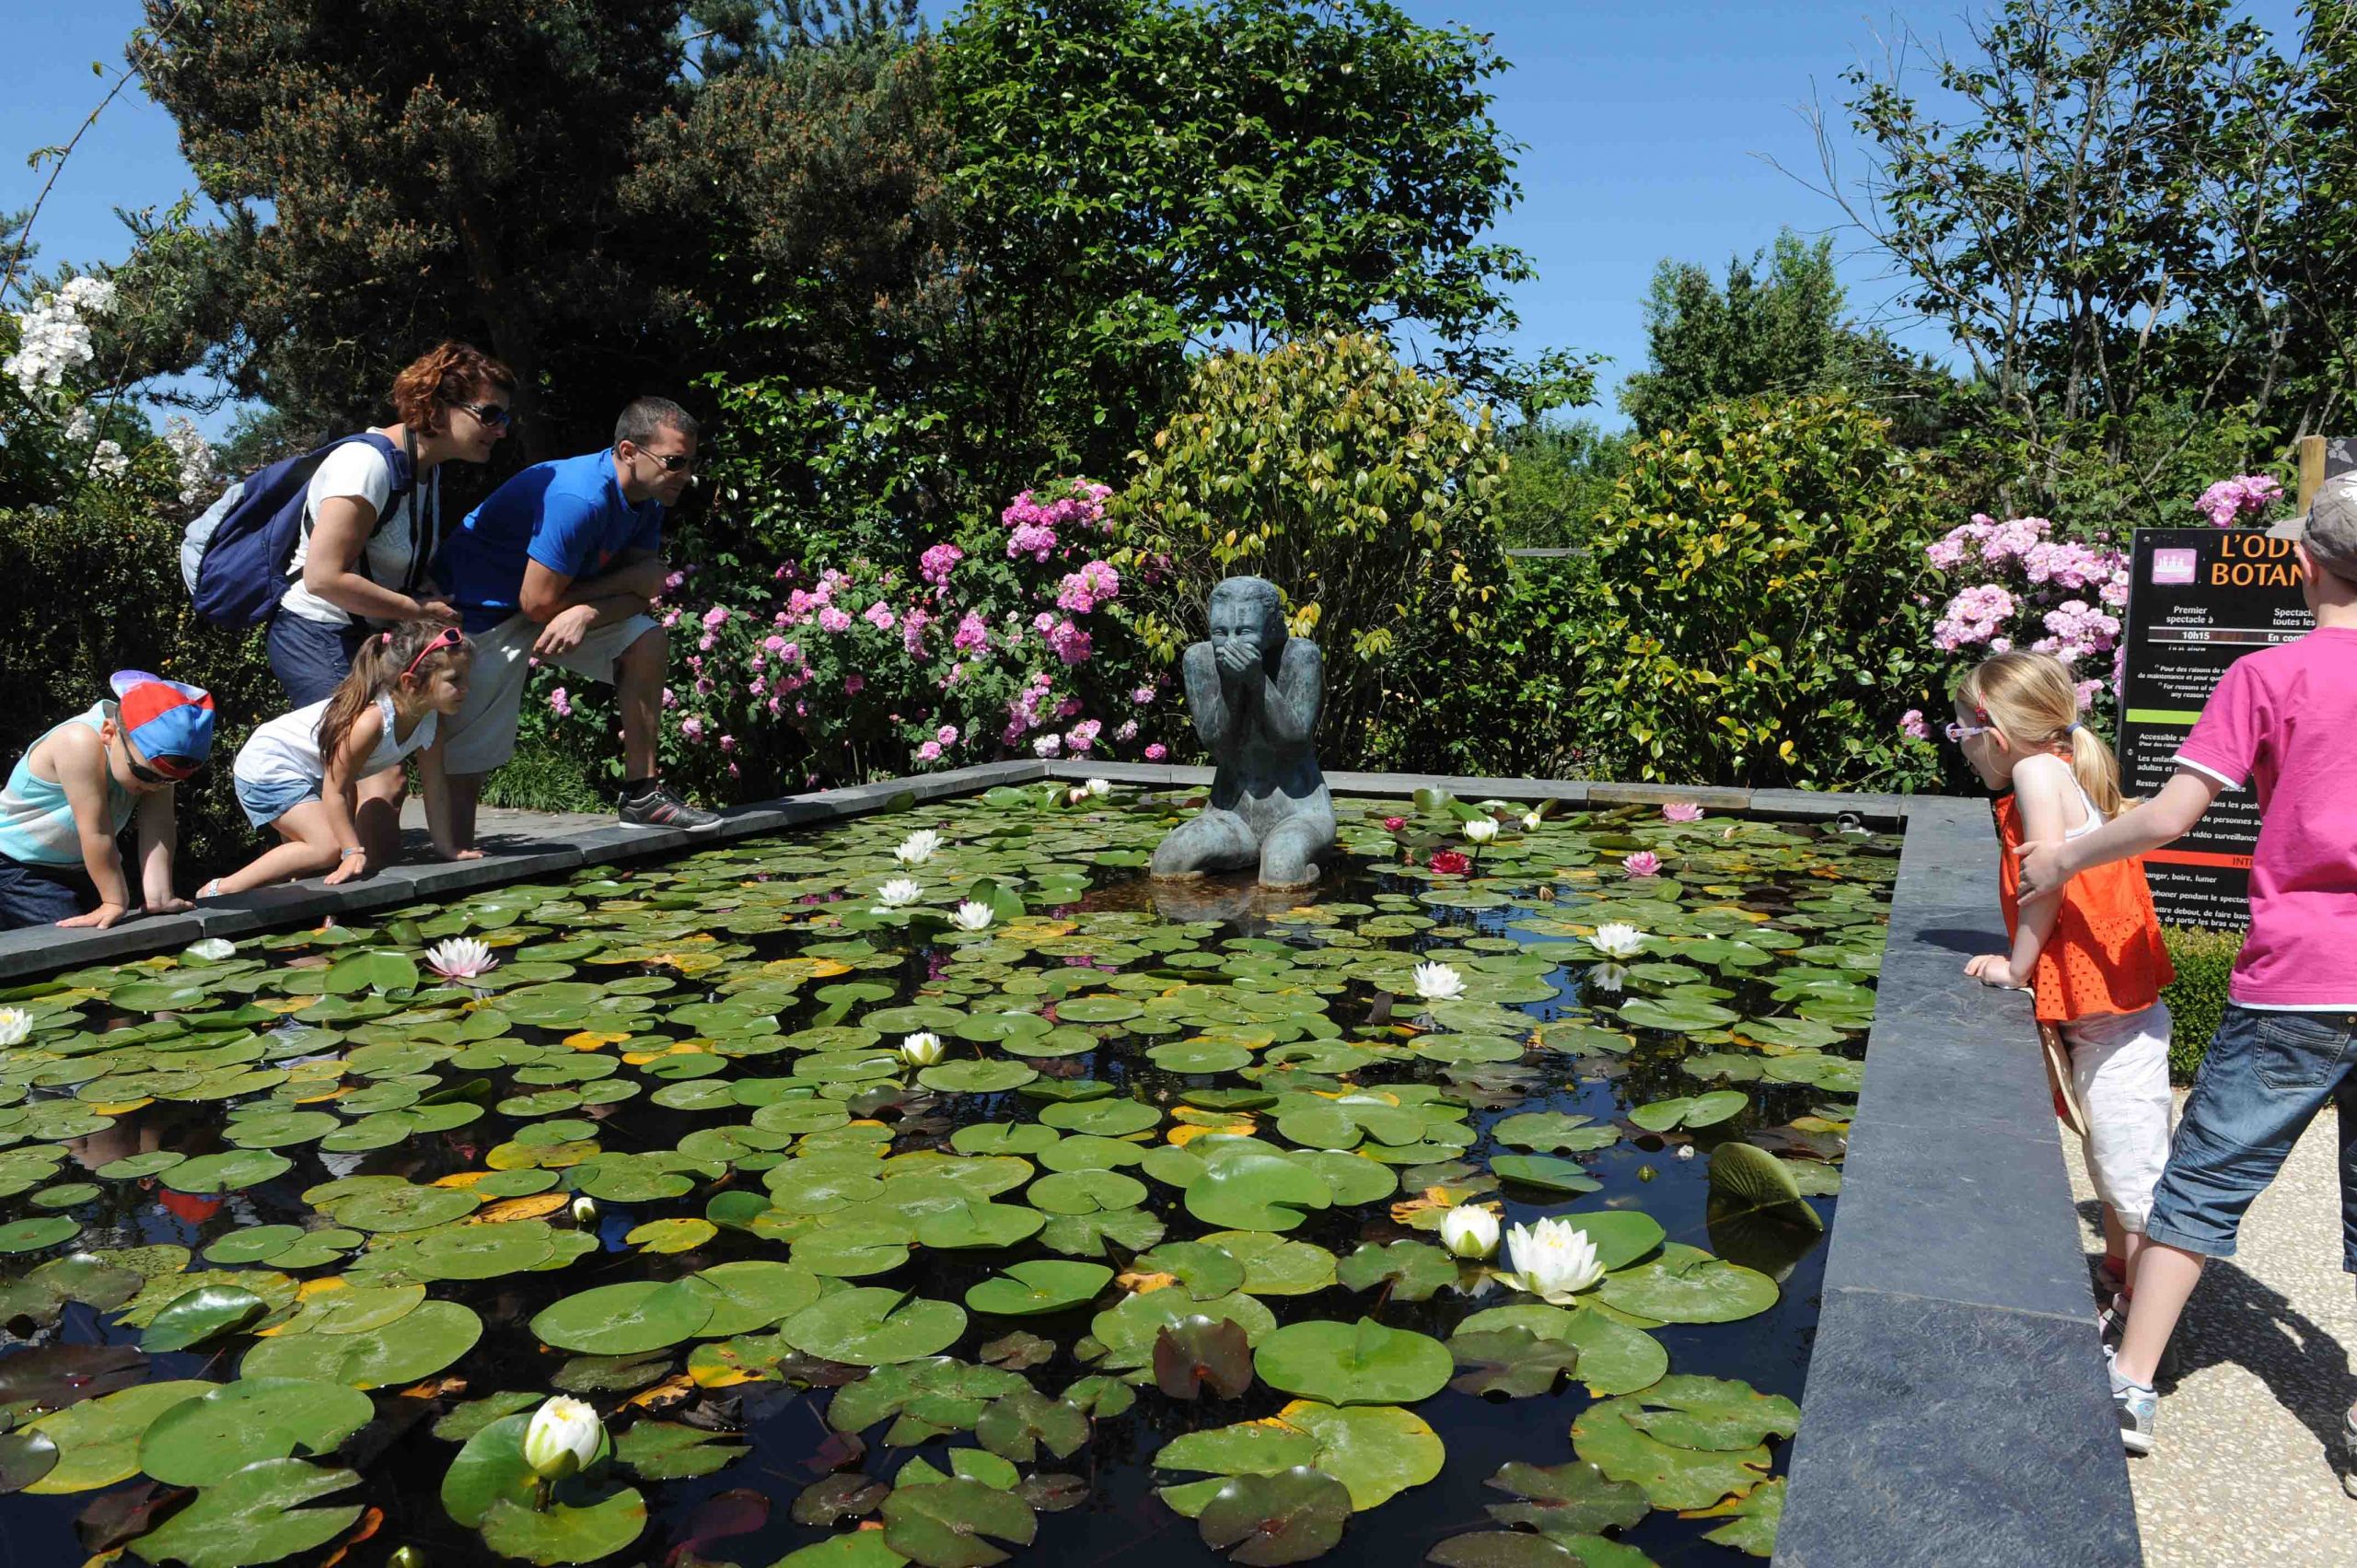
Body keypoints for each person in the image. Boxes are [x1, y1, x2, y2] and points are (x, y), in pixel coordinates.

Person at [2018, 470, 2357, 1463]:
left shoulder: (2265, 675)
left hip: (2299, 976)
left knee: (2204, 1179)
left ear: (2301, 564)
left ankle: (2129, 1382)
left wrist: (2061, 856)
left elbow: (2168, 817)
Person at [1953, 651, 2176, 1330]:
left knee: (2131, 1168)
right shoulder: (2058, 763)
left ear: (1993, 733)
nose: (1957, 745)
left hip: (2115, 1019)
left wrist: (2015, 968)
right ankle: (2117, 1272)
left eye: (1958, 728)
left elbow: (2045, 878)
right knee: (2110, 1152)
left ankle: (2145, 1316)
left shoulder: (2031, 770)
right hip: (2110, 1014)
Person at [267, 341, 515, 860]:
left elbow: (390, 558)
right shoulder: (366, 465)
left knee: (387, 775)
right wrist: (416, 612)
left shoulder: (426, 471)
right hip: (317, 634)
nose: (501, 430)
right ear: (440, 407)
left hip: (367, 636)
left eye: (504, 417)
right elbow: (323, 577)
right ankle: (358, 902)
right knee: (380, 773)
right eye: (490, 414)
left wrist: (422, 593)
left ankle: (360, 892)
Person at [432, 395, 719, 841]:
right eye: (675, 461)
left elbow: (640, 593)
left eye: (690, 462)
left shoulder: (649, 497)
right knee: (467, 764)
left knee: (645, 641)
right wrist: (596, 601)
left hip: (549, 603)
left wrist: (588, 611)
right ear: (629, 452)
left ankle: (642, 795)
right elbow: (538, 604)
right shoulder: (579, 497)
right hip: (479, 614)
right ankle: (450, 869)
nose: (686, 475)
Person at [201, 621, 476, 898]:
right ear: (411, 682)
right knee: (327, 847)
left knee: (314, 863)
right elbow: (337, 789)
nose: (467, 688)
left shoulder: (431, 720)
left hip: (310, 771)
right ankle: (221, 890)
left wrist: (446, 847)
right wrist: (351, 850)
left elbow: (435, 786)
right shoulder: (372, 722)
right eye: (454, 680)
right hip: (269, 765)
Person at [0, 672, 215, 931]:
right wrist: (113, 901)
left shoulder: (149, 758)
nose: (154, 786)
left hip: (75, 865)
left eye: (170, 781)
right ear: (109, 733)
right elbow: (96, 832)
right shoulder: (77, 743)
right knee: (74, 950)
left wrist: (160, 896)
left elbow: (159, 827)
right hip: (16, 865)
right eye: (145, 775)